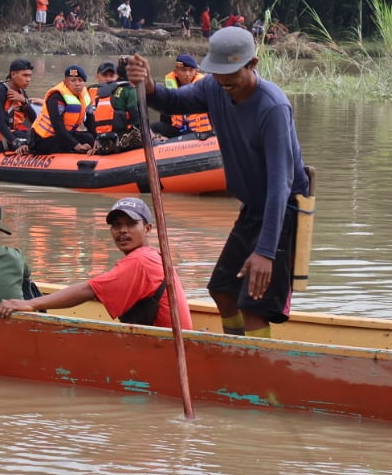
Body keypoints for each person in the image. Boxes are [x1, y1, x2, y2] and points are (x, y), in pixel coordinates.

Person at [126, 27, 309, 338]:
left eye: (232, 74)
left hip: (282, 211)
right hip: (252, 208)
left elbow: (281, 184)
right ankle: (235, 350)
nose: (225, 81)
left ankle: (256, 371)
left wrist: (265, 252)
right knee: (222, 290)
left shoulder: (272, 107)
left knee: (254, 304)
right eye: (218, 73)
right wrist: (149, 85)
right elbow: (172, 102)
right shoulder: (214, 88)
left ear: (253, 64)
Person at [0, 197, 192, 328]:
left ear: (148, 228)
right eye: (116, 225)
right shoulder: (153, 255)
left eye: (131, 224)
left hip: (166, 350)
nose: (122, 231)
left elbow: (88, 290)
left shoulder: (140, 261)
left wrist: (30, 304)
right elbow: (99, 290)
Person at [28, 64, 95, 155]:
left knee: (89, 138)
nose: (77, 84)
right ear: (65, 82)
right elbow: (58, 126)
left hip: (63, 135)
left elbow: (89, 121)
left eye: (80, 80)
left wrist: (97, 141)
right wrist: (76, 145)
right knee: (74, 142)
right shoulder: (56, 97)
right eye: (73, 80)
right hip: (43, 139)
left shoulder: (84, 95)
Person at [151, 54, 212, 138]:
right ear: (176, 72)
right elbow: (165, 117)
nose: (187, 74)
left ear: (196, 71)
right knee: (153, 127)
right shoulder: (169, 90)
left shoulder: (204, 88)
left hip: (200, 131)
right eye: (183, 70)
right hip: (178, 130)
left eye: (191, 70)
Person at [0, 58, 36, 151]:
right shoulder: (0, 91)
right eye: (25, 75)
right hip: (2, 139)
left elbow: (34, 120)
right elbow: (0, 123)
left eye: (30, 76)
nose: (28, 80)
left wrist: (24, 101)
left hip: (17, 134)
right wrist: (15, 142)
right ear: (13, 74)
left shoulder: (21, 92)